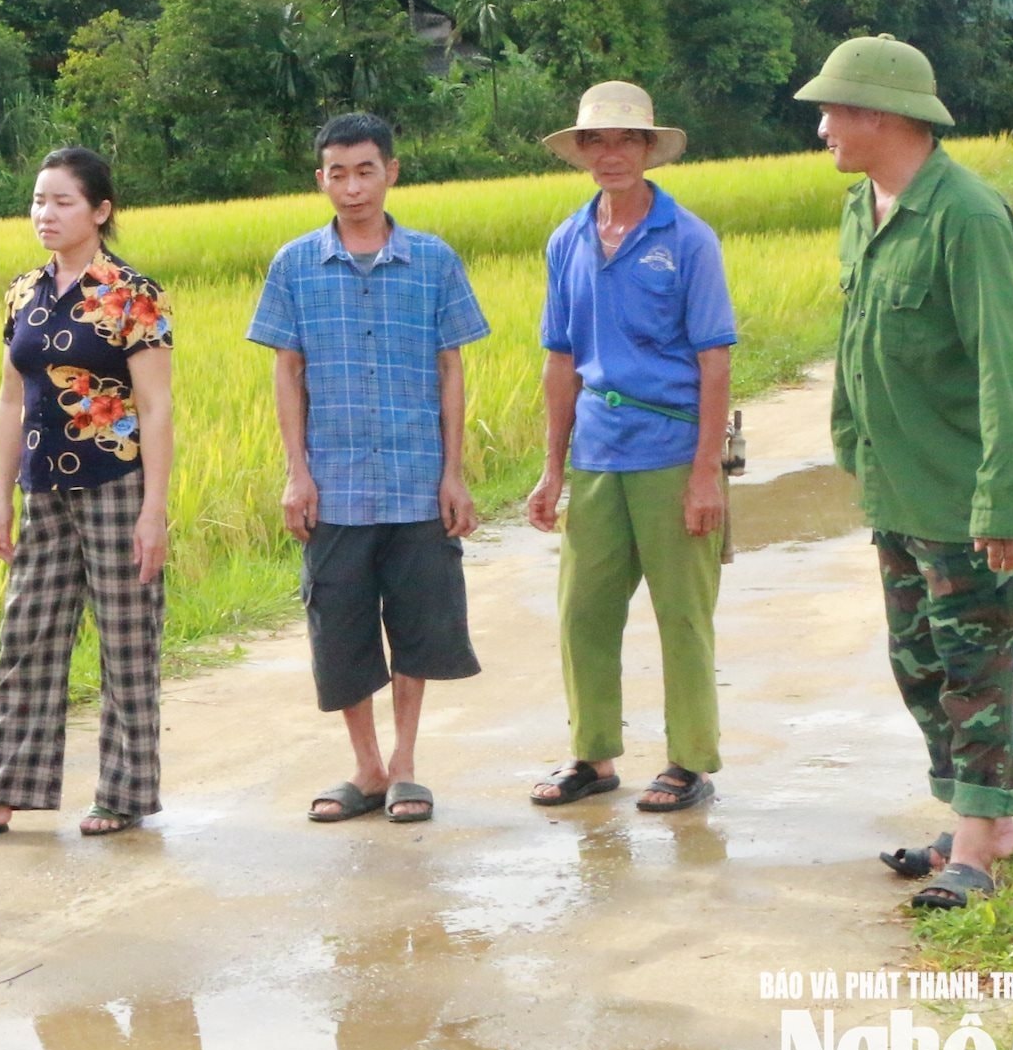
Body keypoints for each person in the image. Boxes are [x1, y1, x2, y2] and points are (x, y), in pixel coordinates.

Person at [796, 35, 1013, 911]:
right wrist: (849, 438)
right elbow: (856, 340)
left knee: (974, 668)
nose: (822, 128)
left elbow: (1002, 362)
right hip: (896, 485)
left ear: (882, 114)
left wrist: (1005, 495)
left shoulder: (966, 215)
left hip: (960, 490)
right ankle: (981, 819)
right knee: (920, 665)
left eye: (833, 111)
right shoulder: (862, 208)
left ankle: (978, 846)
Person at [0, 148, 175, 846]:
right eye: (37, 200)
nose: (45, 214)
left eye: (62, 201)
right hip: (42, 488)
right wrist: (0, 498)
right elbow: (10, 398)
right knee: (25, 636)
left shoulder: (132, 293)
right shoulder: (24, 291)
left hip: (116, 483)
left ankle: (124, 793)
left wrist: (154, 509)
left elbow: (156, 406)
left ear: (100, 211)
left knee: (127, 640)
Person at [248, 112, 490, 826]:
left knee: (419, 624)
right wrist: (297, 473)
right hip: (335, 485)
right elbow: (288, 374)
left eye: (365, 171)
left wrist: (454, 472)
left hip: (417, 479)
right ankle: (367, 767)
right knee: (341, 628)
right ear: (320, 179)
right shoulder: (295, 265)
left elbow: (451, 370)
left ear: (391, 172)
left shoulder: (434, 261)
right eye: (338, 173)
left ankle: (407, 765)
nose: (352, 187)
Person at [524, 82, 738, 815]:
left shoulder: (688, 240)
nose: (611, 154)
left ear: (648, 149)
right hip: (596, 453)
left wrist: (705, 475)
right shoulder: (567, 240)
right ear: (581, 152)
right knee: (582, 611)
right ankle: (593, 755)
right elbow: (560, 360)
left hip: (672, 452)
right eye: (597, 141)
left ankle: (689, 761)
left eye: (625, 140)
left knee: (683, 615)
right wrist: (551, 470)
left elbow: (715, 361)